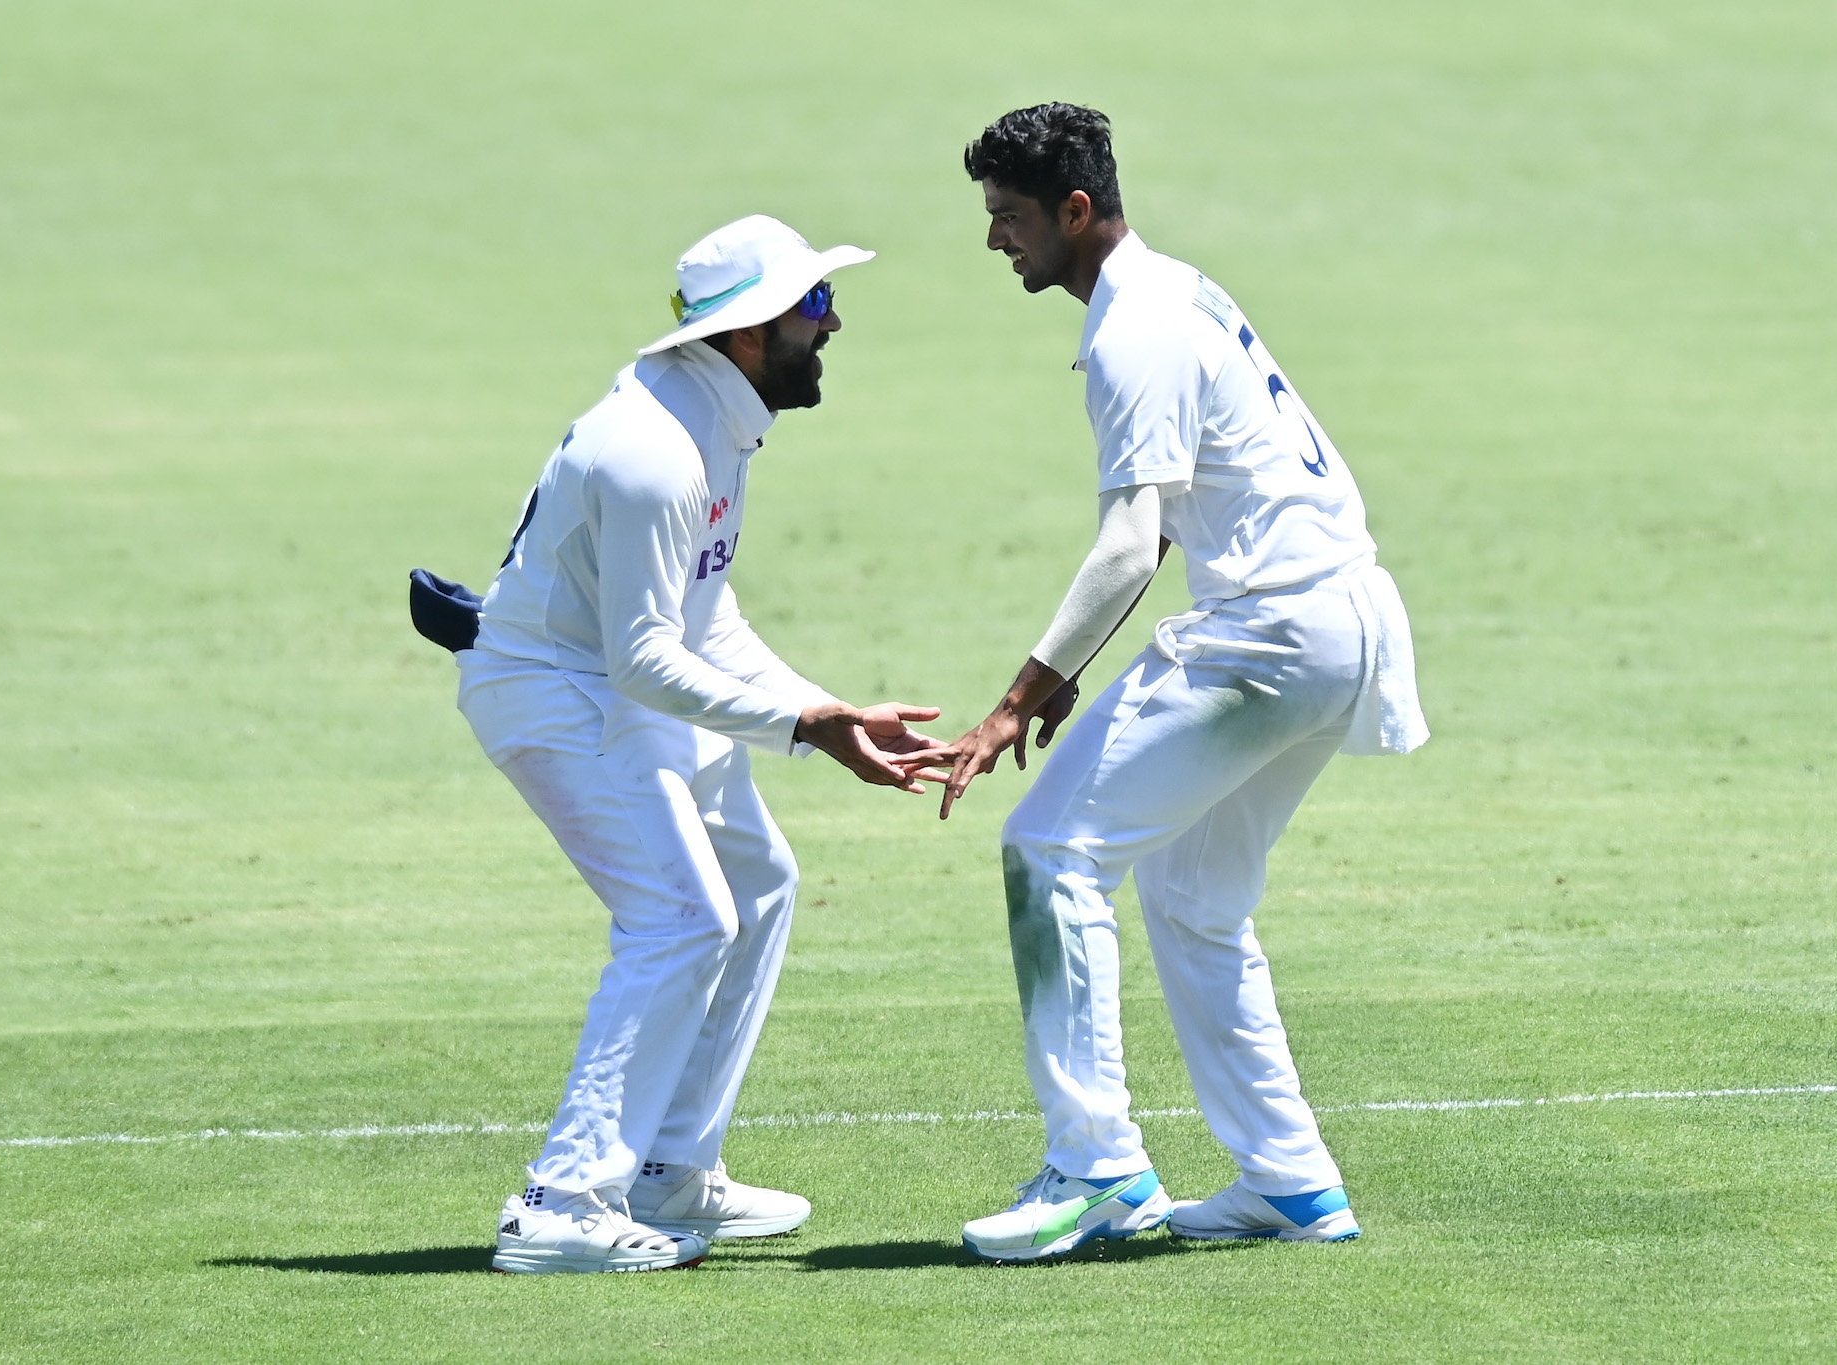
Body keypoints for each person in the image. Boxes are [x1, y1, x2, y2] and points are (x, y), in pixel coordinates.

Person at [935, 105, 1429, 1263]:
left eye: (1007, 218)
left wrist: (1017, 694)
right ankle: (1289, 1181)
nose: (994, 241)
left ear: (1072, 211)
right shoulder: (1175, 289)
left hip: (1269, 637)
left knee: (1049, 849)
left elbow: (1122, 543)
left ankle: (1095, 1168)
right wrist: (1067, 676)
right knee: (1193, 899)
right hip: (1339, 624)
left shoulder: (1132, 332)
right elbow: (1165, 514)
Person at [450, 215, 939, 1274]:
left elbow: (703, 622)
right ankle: (561, 1204)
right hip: (549, 690)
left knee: (757, 884)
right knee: (680, 918)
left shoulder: (718, 418)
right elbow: (638, 661)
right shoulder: (655, 451)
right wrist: (800, 727)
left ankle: (671, 1169)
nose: (834, 320)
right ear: (752, 333)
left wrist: (825, 716)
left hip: (609, 679)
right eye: (814, 306)